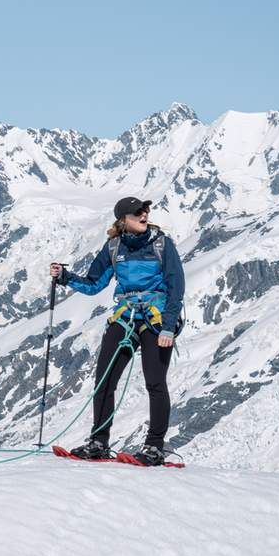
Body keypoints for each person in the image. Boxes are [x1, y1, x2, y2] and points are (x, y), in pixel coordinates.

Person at [51, 196, 185, 466]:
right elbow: (94, 284)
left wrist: (169, 327)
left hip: (156, 319)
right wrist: (65, 278)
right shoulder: (113, 247)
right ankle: (99, 442)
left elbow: (176, 286)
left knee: (155, 382)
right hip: (125, 317)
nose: (144, 214)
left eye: (145, 210)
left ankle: (155, 447)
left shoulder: (162, 244)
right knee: (104, 381)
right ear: (124, 220)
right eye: (137, 212)